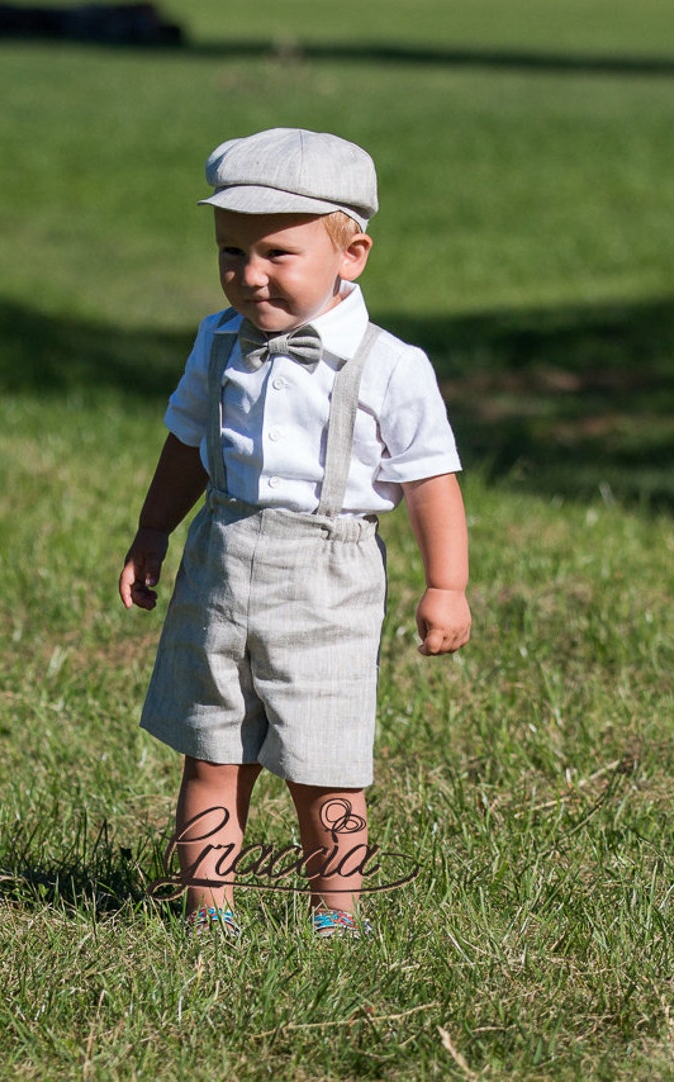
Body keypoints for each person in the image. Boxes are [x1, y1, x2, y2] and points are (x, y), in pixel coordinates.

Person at [119, 127, 471, 938]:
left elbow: (432, 482)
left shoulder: (390, 365)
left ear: (352, 255)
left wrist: (444, 585)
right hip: (222, 554)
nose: (249, 275)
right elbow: (188, 443)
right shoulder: (217, 342)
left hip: (329, 573)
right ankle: (212, 913)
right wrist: (152, 531)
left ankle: (335, 918)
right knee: (212, 753)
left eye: (278, 253)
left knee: (327, 767)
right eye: (231, 252)